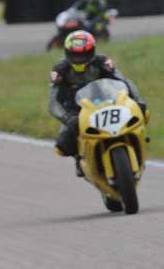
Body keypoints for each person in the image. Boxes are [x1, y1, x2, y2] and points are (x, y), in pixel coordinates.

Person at [49, 30, 146, 173]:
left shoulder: (103, 62)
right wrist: (66, 118)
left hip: (106, 99)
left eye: (83, 54)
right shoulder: (60, 70)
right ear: (67, 53)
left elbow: (124, 81)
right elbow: (53, 102)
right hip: (75, 108)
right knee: (62, 145)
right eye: (75, 55)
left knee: (140, 112)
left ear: (92, 51)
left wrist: (137, 101)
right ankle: (79, 157)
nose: (79, 58)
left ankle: (135, 143)